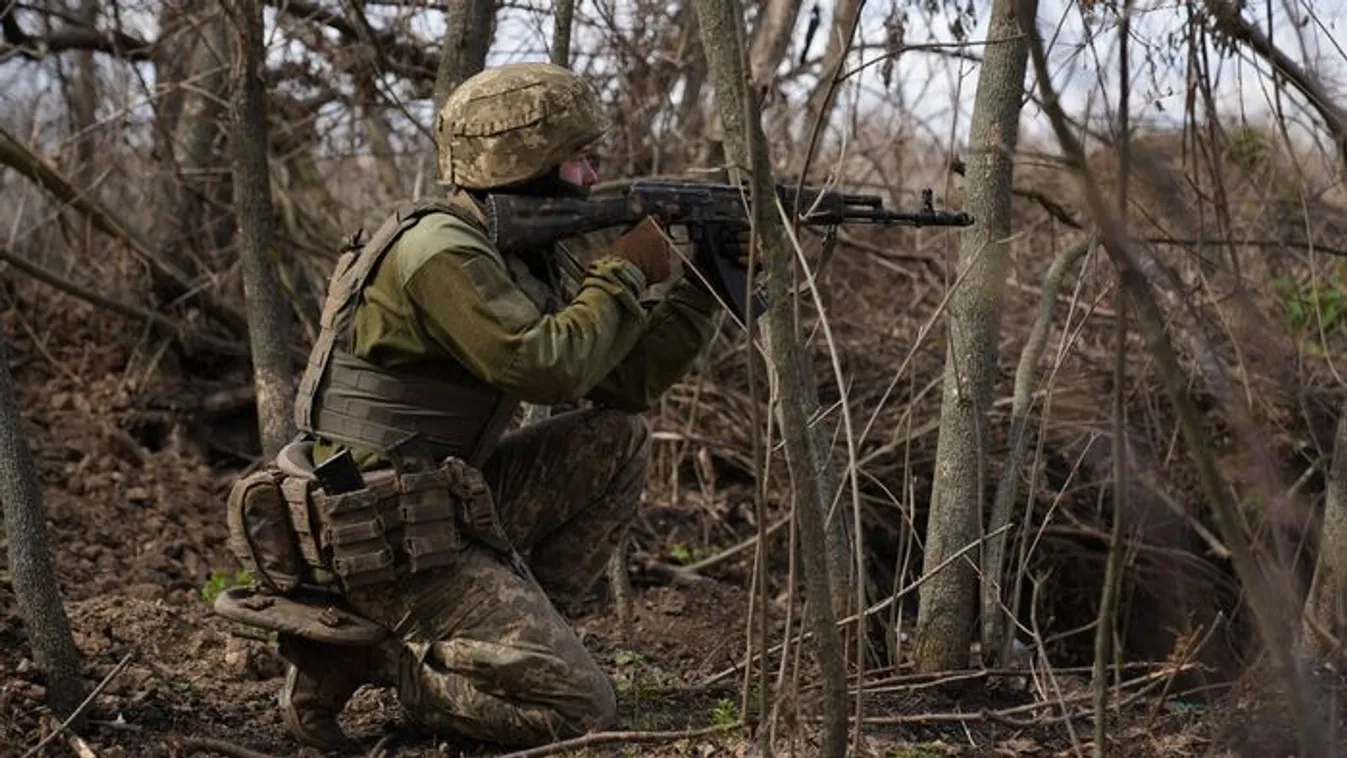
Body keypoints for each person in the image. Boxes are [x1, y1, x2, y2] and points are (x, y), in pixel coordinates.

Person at [217, 62, 720, 750]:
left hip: (433, 507)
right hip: (378, 535)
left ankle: (517, 649)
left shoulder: (509, 251)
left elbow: (618, 387)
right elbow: (543, 366)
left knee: (618, 436)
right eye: (579, 157)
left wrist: (705, 289)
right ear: (527, 160)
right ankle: (384, 661)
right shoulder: (438, 250)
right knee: (580, 717)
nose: (593, 172)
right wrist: (627, 269)